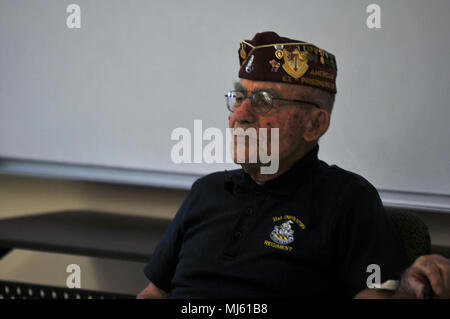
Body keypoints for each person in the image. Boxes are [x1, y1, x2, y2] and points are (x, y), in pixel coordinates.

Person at [138, 32, 450, 299]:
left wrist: (410, 290)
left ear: (314, 124)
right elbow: (154, 293)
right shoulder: (206, 191)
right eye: (239, 97)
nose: (239, 115)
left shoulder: (348, 200)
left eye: (263, 101)